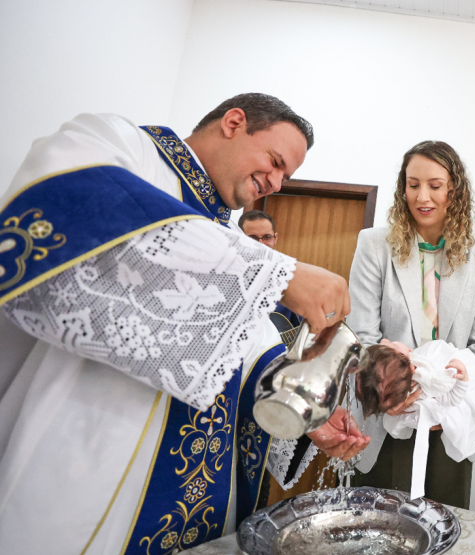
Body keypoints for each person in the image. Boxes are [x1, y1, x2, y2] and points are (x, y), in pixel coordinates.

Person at [0, 93, 369, 554]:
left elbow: (249, 350)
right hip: (88, 453)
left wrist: (303, 409)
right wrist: (277, 271)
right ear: (234, 122)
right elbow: (63, 208)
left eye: (285, 176)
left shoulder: (226, 240)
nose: (275, 183)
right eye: (275, 162)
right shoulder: (120, 145)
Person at [347, 140, 475, 509]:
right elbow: (360, 335)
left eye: (434, 184)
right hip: (385, 415)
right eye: (413, 184)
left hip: (450, 418)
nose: (422, 196)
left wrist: (456, 387)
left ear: (454, 190)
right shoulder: (374, 245)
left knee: (441, 524)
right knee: (378, 522)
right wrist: (393, 389)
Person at [358, 339, 475, 500]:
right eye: (392, 345)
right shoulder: (426, 377)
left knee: (446, 501)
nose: (385, 339)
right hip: (387, 437)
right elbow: (450, 398)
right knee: (390, 502)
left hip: (438, 424)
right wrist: (462, 381)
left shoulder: (415, 373)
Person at [239, 209, 302, 333]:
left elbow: (300, 331)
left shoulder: (289, 279)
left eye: (267, 237)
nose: (261, 244)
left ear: (275, 238)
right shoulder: (223, 277)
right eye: (253, 237)